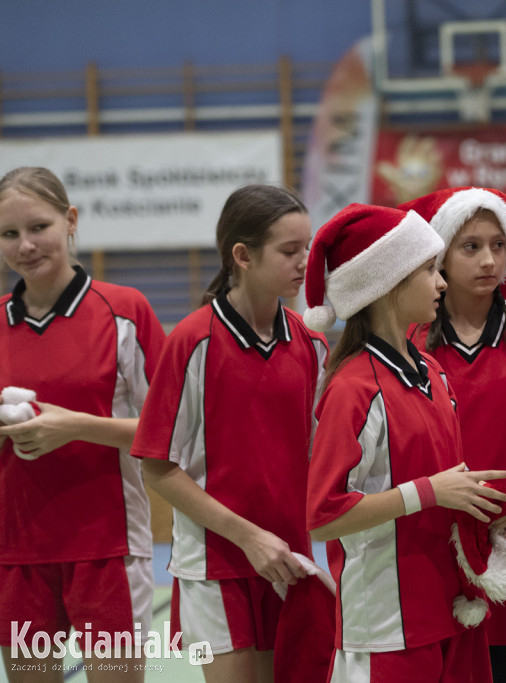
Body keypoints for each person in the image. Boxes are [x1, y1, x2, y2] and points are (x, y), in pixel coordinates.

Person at [301, 203, 506, 683]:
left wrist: (479, 508)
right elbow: (324, 515)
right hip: (386, 628)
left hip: (453, 612)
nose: (441, 283)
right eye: (427, 271)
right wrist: (431, 493)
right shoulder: (353, 389)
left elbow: (443, 484)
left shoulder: (432, 372)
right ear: (386, 286)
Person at [131, 184, 328, 683]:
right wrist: (249, 537)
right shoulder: (192, 341)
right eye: (289, 250)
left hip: (290, 562)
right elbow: (156, 465)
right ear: (242, 255)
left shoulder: (313, 345)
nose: (305, 261)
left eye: (307, 247)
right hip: (215, 565)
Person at [0, 166, 165, 683]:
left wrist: (74, 427)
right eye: (9, 234)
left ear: (70, 221)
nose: (25, 245)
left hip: (108, 549)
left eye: (38, 226)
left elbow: (174, 430)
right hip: (15, 552)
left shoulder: (125, 311)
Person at [399, 187, 506, 683]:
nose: (489, 260)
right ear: (440, 253)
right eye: (470, 246)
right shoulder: (406, 341)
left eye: (498, 245)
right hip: (425, 555)